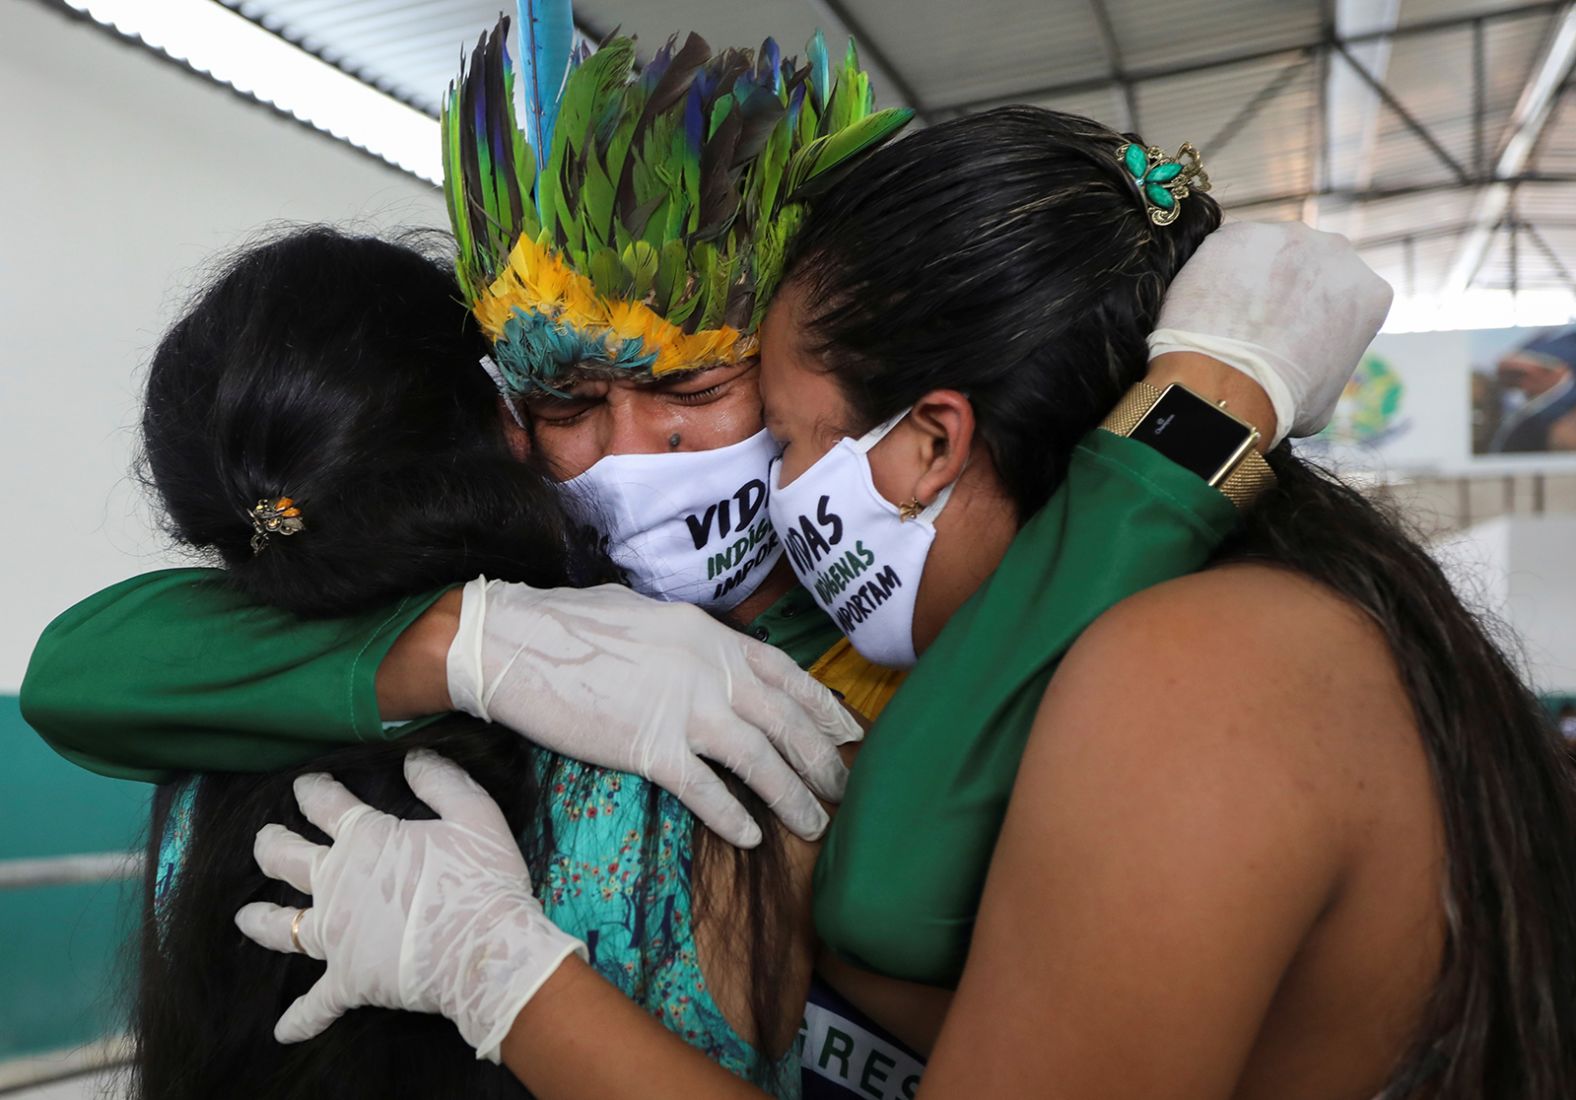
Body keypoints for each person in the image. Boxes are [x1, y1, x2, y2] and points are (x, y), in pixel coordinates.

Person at [244, 107, 1576, 1100]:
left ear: (932, 443)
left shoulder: (1198, 671)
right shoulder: (1215, 623)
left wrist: (508, 980)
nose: (757, 487)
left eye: (793, 433)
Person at [1488, 326, 1576, 453]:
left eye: (1517, 374)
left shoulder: (1564, 418)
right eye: (1505, 376)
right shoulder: (1510, 410)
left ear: (1557, 372)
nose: (1511, 383)